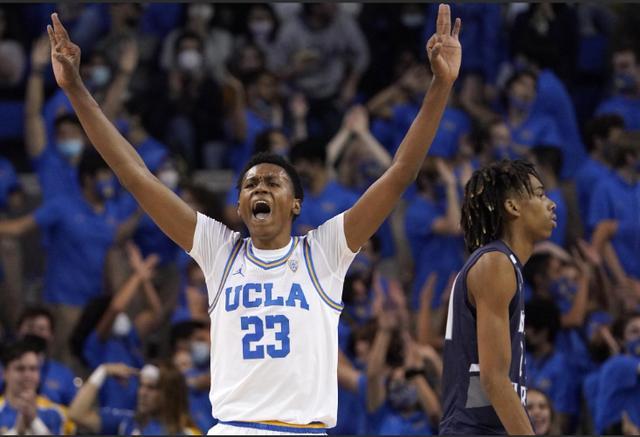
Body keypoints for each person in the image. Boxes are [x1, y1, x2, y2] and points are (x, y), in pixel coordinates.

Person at [46, 5, 461, 434]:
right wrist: (76, 89)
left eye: (272, 182)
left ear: (296, 204)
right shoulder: (219, 250)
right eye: (250, 185)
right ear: (240, 205)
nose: (259, 188)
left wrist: (440, 85)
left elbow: (399, 175)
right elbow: (135, 175)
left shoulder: (324, 251)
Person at [439, 159, 557, 435]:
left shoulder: (503, 264)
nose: (551, 204)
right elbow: (494, 380)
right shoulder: (496, 263)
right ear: (512, 206)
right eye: (540, 195)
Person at [68, 361, 200, 435]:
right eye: (141, 385)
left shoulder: (186, 433)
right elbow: (76, 414)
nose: (142, 392)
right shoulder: (128, 422)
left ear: (169, 394)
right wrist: (103, 371)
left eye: (151, 388)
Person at [0, 339, 75, 435]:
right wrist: (17, 431)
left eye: (33, 369)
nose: (27, 375)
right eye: (20, 369)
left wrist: (34, 421)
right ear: (5, 373)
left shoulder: (56, 413)